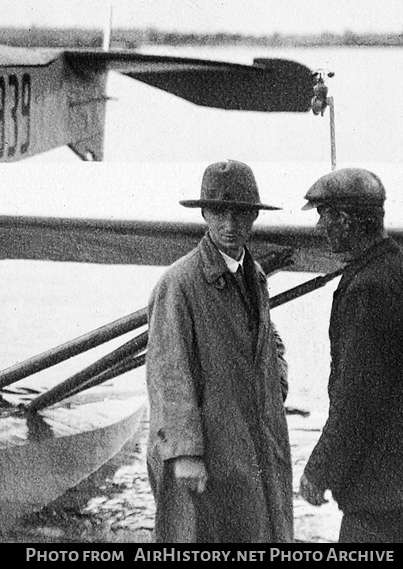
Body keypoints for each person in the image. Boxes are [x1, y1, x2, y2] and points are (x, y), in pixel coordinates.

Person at [145, 159, 293, 542]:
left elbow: (265, 340)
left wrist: (276, 382)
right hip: (202, 456)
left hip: (245, 443)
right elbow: (168, 371)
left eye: (240, 214)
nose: (229, 225)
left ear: (254, 218)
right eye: (218, 213)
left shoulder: (253, 276)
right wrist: (184, 453)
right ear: (205, 215)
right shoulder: (178, 284)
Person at [297, 168, 403, 542]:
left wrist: (318, 471)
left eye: (323, 215)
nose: (319, 227)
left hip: (380, 500)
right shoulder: (395, 269)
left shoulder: (368, 288)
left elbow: (358, 399)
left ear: (344, 220)